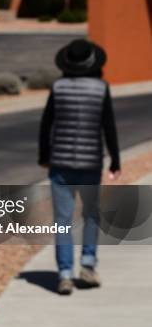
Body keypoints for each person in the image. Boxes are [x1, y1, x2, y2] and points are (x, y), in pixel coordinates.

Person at [38, 39, 121, 295]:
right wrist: (115, 159)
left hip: (60, 162)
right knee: (91, 215)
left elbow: (46, 124)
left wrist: (44, 155)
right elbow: (108, 126)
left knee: (62, 220)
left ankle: (64, 273)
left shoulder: (58, 87)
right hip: (90, 163)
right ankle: (87, 263)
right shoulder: (100, 88)